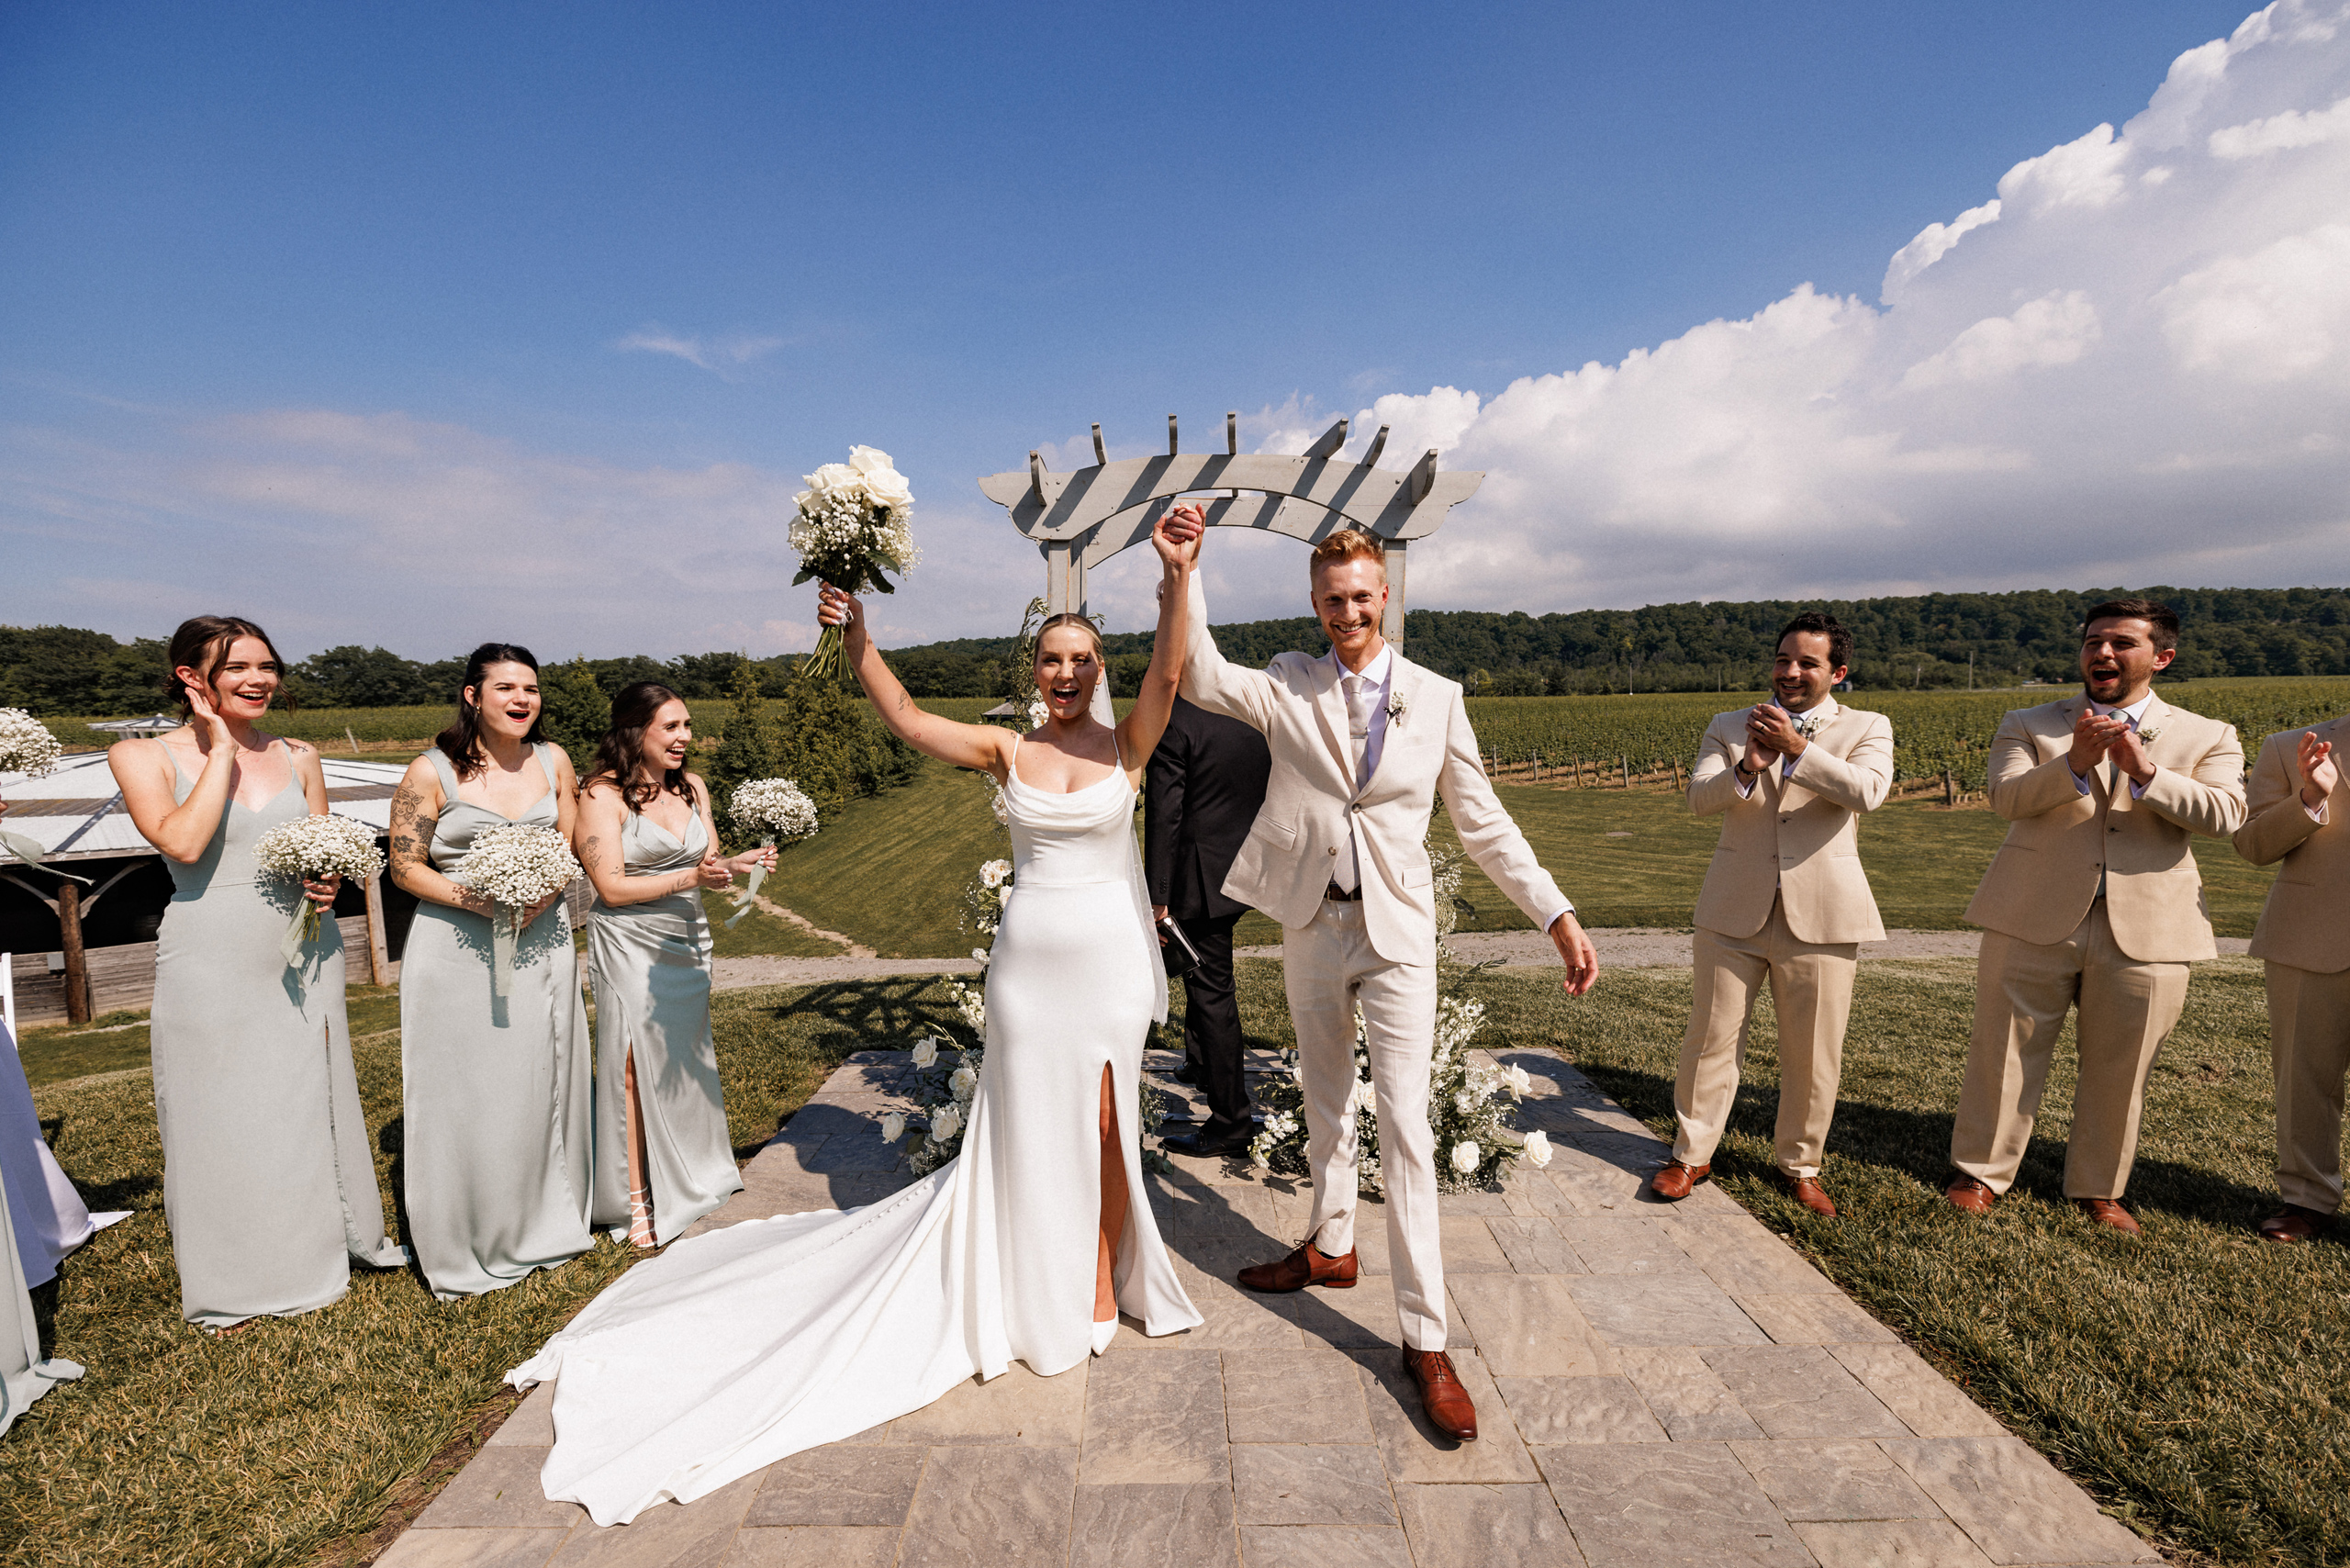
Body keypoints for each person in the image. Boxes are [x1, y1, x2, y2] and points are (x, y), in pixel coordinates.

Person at [506, 511, 1203, 1526]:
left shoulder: (1127, 746)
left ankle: (1099, 1282)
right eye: (1051, 658)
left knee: (1103, 1120)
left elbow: (1172, 680)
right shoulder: (1006, 748)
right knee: (1030, 1128)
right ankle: (1040, 1282)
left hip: (1106, 967)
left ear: (1101, 668)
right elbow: (913, 724)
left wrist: (1177, 578)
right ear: (1034, 670)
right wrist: (861, 641)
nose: (1066, 672)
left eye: (1081, 659)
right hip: (1028, 973)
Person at [1180, 521, 1596, 1444]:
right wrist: (1184, 572)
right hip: (1310, 925)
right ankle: (1331, 1246)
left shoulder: (1437, 698)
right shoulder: (1289, 681)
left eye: (1362, 596)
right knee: (1323, 1103)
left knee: (1405, 1128)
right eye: (1332, 598)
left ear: (1385, 598)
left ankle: (1425, 1339)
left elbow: (1484, 824)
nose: (1348, 612)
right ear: (1315, 602)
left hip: (1398, 935)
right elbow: (1201, 672)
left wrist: (1556, 914)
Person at [107, 616, 406, 1330]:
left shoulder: (300, 754)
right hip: (212, 948)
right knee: (221, 1108)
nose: (260, 680)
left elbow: (322, 845)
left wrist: (328, 880)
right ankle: (240, 1268)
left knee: (305, 1097)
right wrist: (217, 752)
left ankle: (321, 1244)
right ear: (191, 677)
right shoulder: (138, 755)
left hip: (306, 944)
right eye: (239, 667)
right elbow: (182, 842)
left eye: (267, 666)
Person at [1945, 599, 2246, 1234]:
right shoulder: (2029, 722)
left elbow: (2225, 817)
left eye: (2120, 643)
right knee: (2003, 1053)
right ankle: (1981, 1173)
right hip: (2032, 912)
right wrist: (2075, 762)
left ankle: (2098, 1189)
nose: (2102, 653)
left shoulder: (2209, 734)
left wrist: (2145, 770)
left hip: (2152, 926)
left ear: (2161, 657)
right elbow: (2006, 799)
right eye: (2092, 642)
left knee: (2123, 1063)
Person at [1649, 613, 1893, 1219]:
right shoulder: (1729, 726)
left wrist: (1799, 750)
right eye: (1783, 659)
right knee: (1709, 1038)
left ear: (1837, 672)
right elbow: (1699, 800)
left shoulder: (1868, 726)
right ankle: (1691, 1155)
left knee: (1813, 1050)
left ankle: (1800, 1166)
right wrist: (1748, 766)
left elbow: (1867, 792)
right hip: (1734, 907)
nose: (1790, 671)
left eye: (1807, 663)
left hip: (1826, 912)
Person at [387, 644, 594, 1298]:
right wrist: (482, 899)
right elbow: (405, 867)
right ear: (472, 696)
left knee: (540, 1074)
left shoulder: (555, 760)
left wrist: (546, 890)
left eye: (531, 688)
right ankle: (466, 1230)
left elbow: (572, 842)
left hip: (543, 935)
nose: (522, 699)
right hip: (455, 949)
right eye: (505, 687)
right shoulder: (430, 772)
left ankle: (543, 1217)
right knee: (467, 1086)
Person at [574, 684, 771, 1249]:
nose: (685, 737)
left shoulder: (693, 787)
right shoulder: (600, 796)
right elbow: (609, 888)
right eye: (671, 727)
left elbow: (706, 863)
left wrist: (740, 862)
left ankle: (694, 1172)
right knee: (633, 1067)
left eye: (687, 725)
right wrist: (695, 878)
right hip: (631, 943)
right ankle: (633, 1198)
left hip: (688, 941)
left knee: (684, 1062)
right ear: (635, 732)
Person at [2231, 711, 2345, 1243]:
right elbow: (2252, 845)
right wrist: (2309, 801)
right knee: (2304, 1081)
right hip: (2310, 938)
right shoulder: (2286, 747)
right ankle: (2307, 1201)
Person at [1147, 692, 1272, 1158]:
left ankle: (1230, 1123)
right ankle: (1199, 1064)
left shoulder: (1173, 719)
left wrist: (1156, 896)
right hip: (1244, 867)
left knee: (1211, 991)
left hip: (1198, 879)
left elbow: (1165, 814)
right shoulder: (1245, 709)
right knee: (1203, 973)